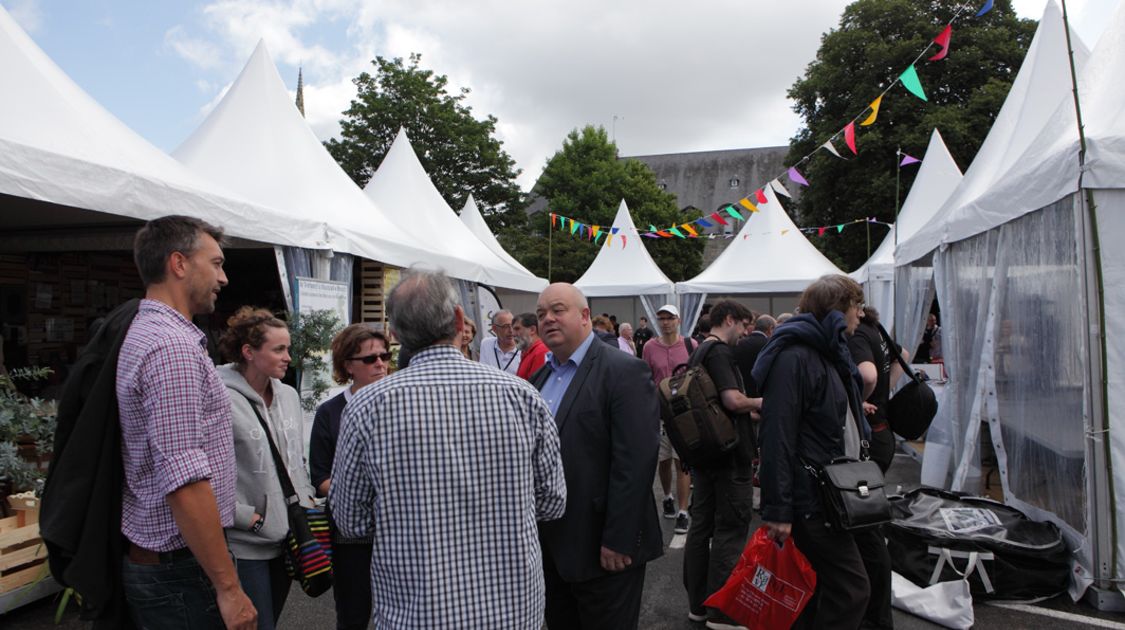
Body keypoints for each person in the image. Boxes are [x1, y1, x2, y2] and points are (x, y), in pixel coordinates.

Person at [330, 270, 566, 629]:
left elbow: (351, 520)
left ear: (394, 335)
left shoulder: (367, 406)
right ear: (459, 320)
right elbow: (552, 501)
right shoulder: (521, 395)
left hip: (416, 611)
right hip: (512, 609)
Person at [115, 215, 256, 630]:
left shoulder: (148, 332)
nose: (224, 277)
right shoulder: (171, 347)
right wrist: (229, 589)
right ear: (179, 264)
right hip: (180, 568)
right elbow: (184, 478)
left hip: (172, 564)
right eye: (215, 263)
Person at [753, 275, 882, 630]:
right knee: (852, 589)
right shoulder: (795, 357)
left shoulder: (828, 352)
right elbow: (776, 435)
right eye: (856, 306)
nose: (860, 314)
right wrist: (778, 509)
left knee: (816, 591)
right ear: (841, 308)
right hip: (810, 498)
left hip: (833, 493)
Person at [532, 283, 662, 629]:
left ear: (585, 315)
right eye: (541, 313)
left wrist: (618, 539)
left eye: (558, 310)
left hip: (604, 550)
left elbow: (635, 463)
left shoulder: (623, 371)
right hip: (552, 550)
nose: (548, 319)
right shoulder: (539, 376)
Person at [217, 307, 316, 630]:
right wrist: (248, 518)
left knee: (269, 622)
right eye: (278, 349)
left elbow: (295, 461)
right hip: (245, 543)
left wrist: (307, 500)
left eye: (288, 348)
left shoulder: (287, 394)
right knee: (256, 624)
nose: (288, 357)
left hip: (288, 536)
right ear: (248, 352)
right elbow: (209, 472)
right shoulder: (219, 395)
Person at [682, 300, 762, 630]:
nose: (746, 333)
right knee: (731, 529)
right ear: (729, 319)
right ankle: (723, 613)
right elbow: (732, 400)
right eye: (744, 325)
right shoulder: (721, 353)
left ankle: (698, 605)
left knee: (701, 529)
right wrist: (762, 402)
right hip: (730, 456)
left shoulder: (699, 351)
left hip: (705, 454)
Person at [310, 324, 391, 630]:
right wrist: (360, 494)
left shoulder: (402, 404)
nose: (381, 363)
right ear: (348, 366)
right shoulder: (330, 412)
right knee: (353, 614)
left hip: (396, 530)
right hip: (350, 536)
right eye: (370, 359)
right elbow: (319, 476)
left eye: (384, 355)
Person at [846, 306, 905, 630]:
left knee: (866, 528)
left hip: (871, 441)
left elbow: (867, 375)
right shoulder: (876, 329)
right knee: (866, 525)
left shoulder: (858, 334)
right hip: (882, 433)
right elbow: (903, 354)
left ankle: (876, 617)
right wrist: (884, 395)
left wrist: (860, 399)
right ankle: (874, 613)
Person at [641, 304, 695, 534]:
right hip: (659, 412)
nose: (665, 322)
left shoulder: (690, 345)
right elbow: (645, 377)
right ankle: (668, 497)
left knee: (682, 462)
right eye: (661, 318)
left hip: (683, 412)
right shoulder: (649, 347)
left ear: (678, 320)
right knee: (663, 461)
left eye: (669, 318)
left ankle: (683, 511)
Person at [733, 314, 775, 397]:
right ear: (770, 329)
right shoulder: (770, 346)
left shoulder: (739, 343)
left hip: (741, 393)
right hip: (762, 395)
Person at [479, 309, 521, 375]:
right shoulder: (486, 344)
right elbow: (483, 373)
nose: (511, 330)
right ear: (494, 329)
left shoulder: (524, 350)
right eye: (505, 326)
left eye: (513, 325)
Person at [513, 312, 549, 380]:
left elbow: (536, 386)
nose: (513, 334)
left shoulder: (541, 352)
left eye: (517, 329)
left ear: (532, 330)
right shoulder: (528, 352)